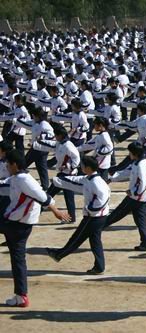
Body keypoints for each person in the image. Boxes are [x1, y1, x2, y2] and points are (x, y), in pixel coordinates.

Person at [0, 150, 69, 307]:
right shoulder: (18, 177)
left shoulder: (24, 180)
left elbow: (43, 197)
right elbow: (4, 186)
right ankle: (21, 296)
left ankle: (21, 295)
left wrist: (56, 211)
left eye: (8, 164)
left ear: (15, 165)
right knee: (17, 259)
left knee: (17, 258)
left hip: (17, 224)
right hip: (17, 223)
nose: (6, 167)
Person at [46, 156, 110, 274]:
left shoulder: (97, 183)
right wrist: (56, 181)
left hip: (94, 217)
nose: (81, 167)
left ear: (89, 168)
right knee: (95, 241)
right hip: (96, 217)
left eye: (83, 165)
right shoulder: (89, 178)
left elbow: (103, 199)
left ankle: (59, 254)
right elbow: (74, 181)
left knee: (77, 238)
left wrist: (90, 209)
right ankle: (99, 267)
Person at [105, 142, 146, 251]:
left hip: (137, 197)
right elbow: (126, 173)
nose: (129, 155)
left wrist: (133, 192)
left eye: (130, 152)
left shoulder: (141, 166)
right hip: (141, 197)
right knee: (140, 221)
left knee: (117, 214)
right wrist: (111, 179)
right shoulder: (138, 163)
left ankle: (97, 228)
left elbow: (143, 183)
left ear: (134, 154)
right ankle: (145, 244)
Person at [34, 124, 80, 224]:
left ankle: (36, 213)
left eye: (56, 135)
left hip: (68, 175)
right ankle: (72, 218)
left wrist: (68, 166)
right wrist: (38, 142)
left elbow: (77, 159)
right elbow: (51, 144)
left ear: (60, 136)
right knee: (65, 197)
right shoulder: (60, 143)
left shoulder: (68, 146)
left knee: (50, 195)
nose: (55, 137)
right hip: (62, 174)